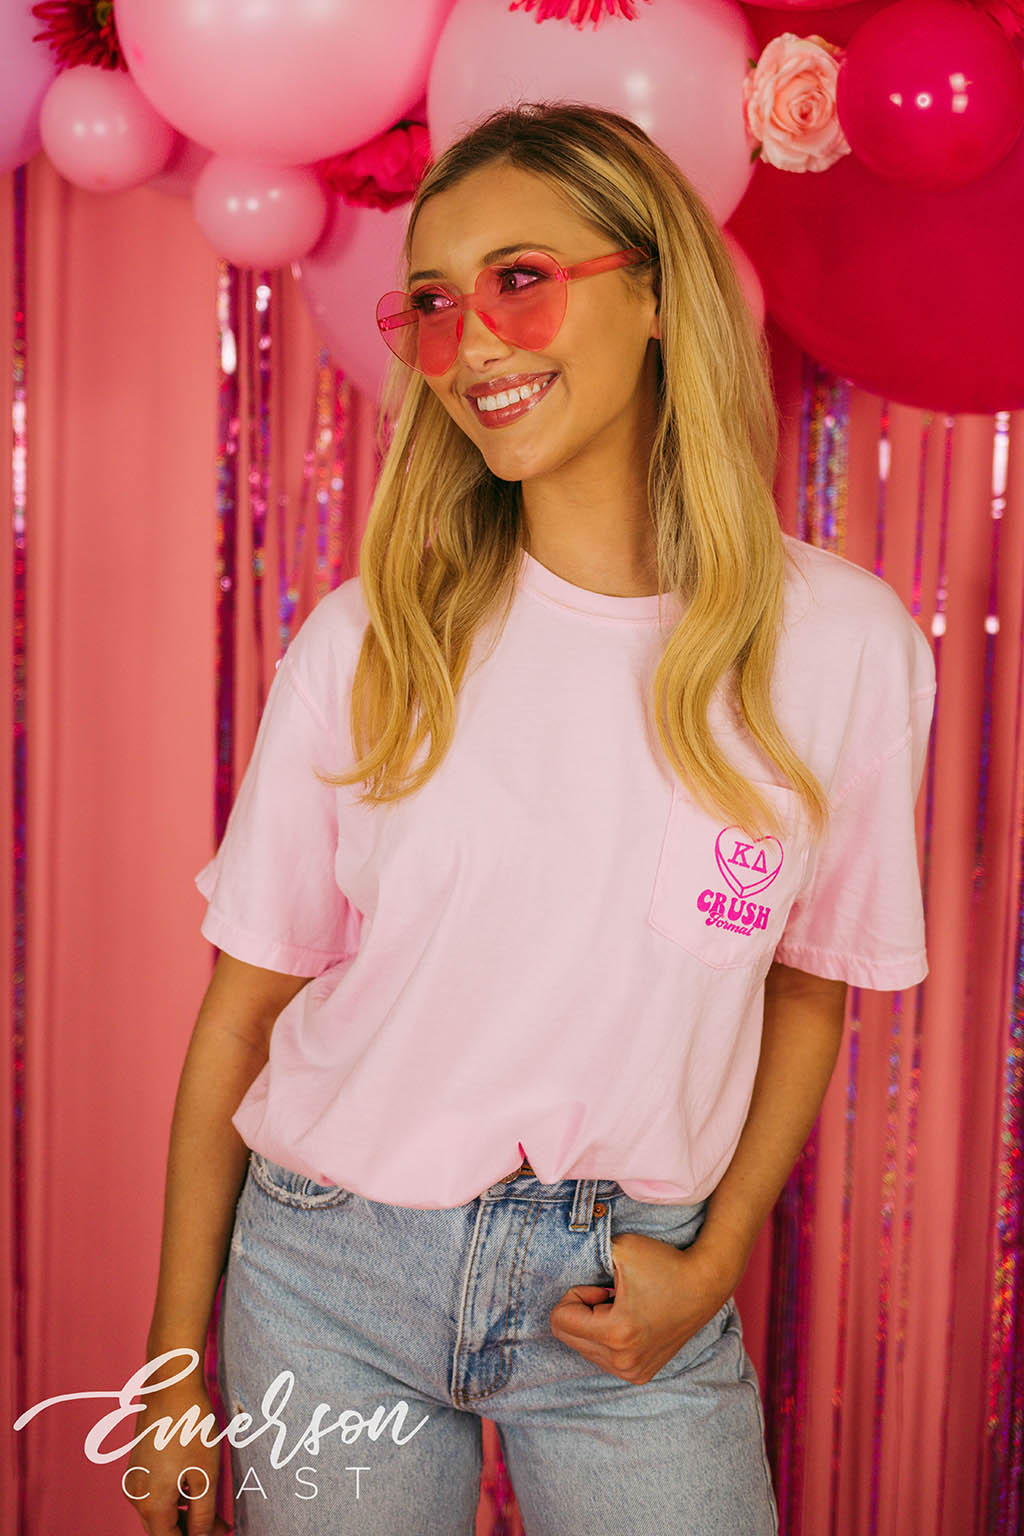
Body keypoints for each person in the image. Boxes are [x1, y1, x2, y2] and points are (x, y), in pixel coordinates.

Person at [127, 101, 935, 1536]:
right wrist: (174, 1373)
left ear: (658, 296)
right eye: (434, 305)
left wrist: (716, 1260)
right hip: (328, 1279)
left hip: (631, 1293)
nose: (475, 345)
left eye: (521, 279)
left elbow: (810, 989)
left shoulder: (842, 647)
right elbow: (241, 1017)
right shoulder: (372, 644)